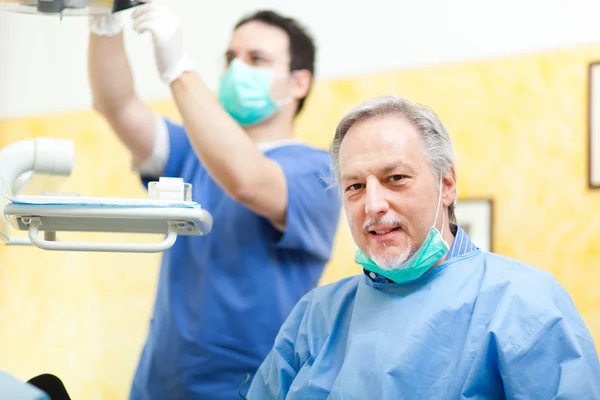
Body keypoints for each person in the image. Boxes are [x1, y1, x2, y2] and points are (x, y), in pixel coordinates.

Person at [248, 96, 600, 399]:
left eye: (395, 179)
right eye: (355, 186)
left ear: (446, 184)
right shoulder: (316, 316)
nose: (372, 205)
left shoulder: (523, 303)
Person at [88, 3, 341, 399]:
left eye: (257, 59)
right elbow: (117, 106)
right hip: (158, 386)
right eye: (230, 58)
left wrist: (178, 69)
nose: (237, 69)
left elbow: (248, 181)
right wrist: (104, 19)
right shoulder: (192, 153)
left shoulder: (317, 173)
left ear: (299, 83)